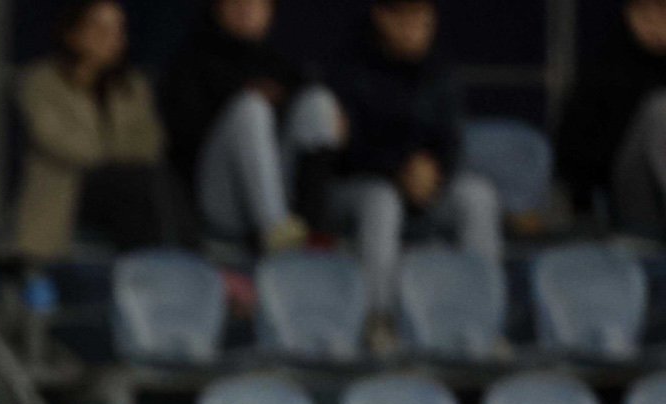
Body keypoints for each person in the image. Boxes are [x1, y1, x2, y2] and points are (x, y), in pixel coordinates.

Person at [328, 0, 500, 331]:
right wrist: (398, 172)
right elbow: (345, 152)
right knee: (382, 201)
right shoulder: (348, 67)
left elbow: (452, 143)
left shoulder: (440, 70)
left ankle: (483, 319)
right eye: (404, 19)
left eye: (422, 18)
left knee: (478, 196)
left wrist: (435, 171)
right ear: (381, 16)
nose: (415, 29)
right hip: (362, 187)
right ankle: (380, 320)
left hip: (423, 188)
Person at [160, 0, 343, 252]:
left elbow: (310, 118)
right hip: (219, 199)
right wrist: (236, 99)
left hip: (278, 194)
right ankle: (277, 233)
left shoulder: (276, 62)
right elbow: (184, 141)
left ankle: (312, 229)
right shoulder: (192, 60)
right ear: (218, 8)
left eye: (257, 3)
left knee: (318, 100)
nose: (247, 9)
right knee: (251, 109)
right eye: (237, 2)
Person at [13, 0, 175, 262]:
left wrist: (112, 154)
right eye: (99, 28)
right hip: (70, 188)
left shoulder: (132, 86)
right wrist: (116, 152)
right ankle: (161, 270)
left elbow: (150, 143)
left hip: (126, 186)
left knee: (152, 183)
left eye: (117, 29)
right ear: (73, 33)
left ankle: (165, 267)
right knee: (137, 184)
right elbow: (61, 143)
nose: (110, 38)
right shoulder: (40, 82)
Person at [557, 0, 666, 232]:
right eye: (647, 15)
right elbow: (571, 159)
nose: (657, 25)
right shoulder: (604, 71)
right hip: (627, 196)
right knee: (661, 110)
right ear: (629, 16)